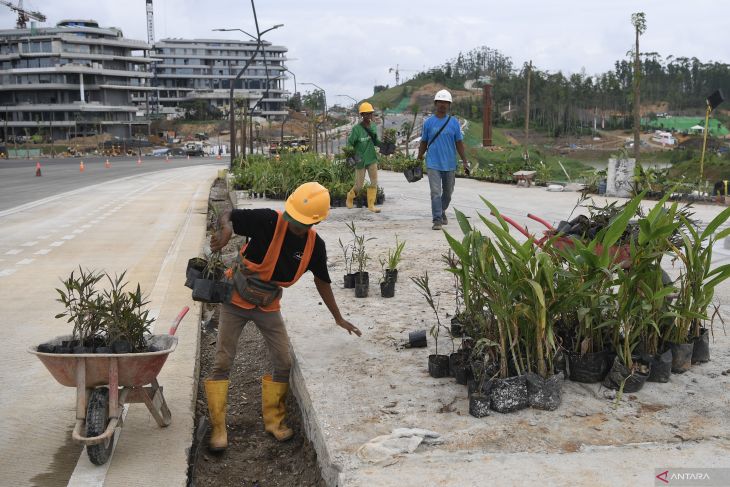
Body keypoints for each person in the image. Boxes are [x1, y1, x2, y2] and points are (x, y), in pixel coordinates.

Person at [204, 182, 361, 451]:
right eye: (291, 216)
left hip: (267, 305)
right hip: (236, 299)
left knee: (283, 361)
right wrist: (227, 228)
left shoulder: (314, 247)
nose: (291, 224)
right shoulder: (267, 220)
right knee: (223, 360)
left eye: (299, 222)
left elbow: (323, 282)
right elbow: (228, 214)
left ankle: (274, 421)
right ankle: (218, 427)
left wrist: (338, 317)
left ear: (315, 222)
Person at [416, 89, 470, 230]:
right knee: (435, 192)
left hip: (450, 164)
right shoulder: (428, 123)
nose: (443, 105)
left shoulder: (454, 123)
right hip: (433, 163)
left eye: (446, 103)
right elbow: (423, 142)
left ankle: (442, 210)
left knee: (447, 193)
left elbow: (459, 143)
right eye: (440, 102)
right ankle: (437, 220)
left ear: (449, 105)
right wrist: (418, 158)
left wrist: (464, 160)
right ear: (435, 103)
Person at [346, 102, 382, 213]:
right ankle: (350, 197)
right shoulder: (356, 129)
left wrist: (385, 145)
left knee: (374, 182)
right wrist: (351, 154)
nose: (368, 116)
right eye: (365, 114)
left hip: (371, 158)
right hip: (359, 160)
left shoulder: (374, 126)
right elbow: (349, 143)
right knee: (359, 185)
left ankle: (371, 205)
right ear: (362, 115)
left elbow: (375, 141)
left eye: (370, 114)